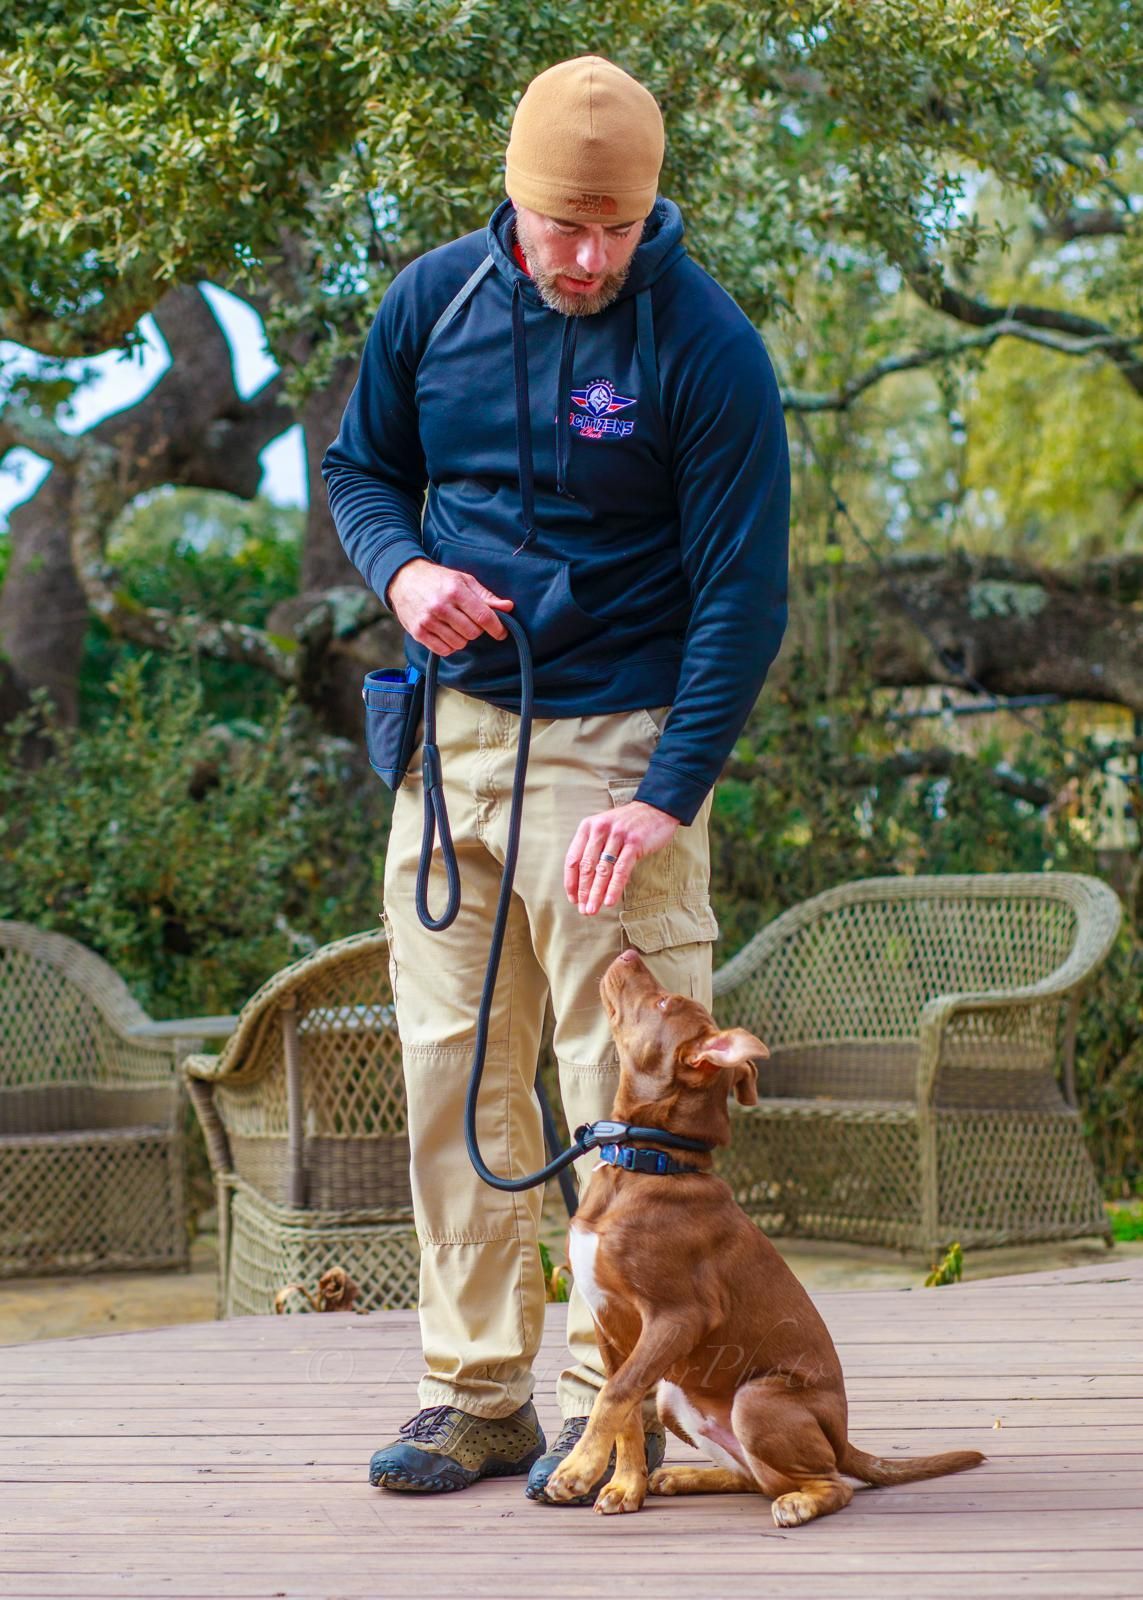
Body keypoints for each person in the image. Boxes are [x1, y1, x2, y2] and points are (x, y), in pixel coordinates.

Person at [321, 54, 790, 1501]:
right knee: (450, 1073)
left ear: (650, 212)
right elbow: (360, 471)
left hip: (623, 748)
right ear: (512, 204)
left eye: (614, 229)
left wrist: (665, 793)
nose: (586, 258)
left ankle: (611, 1398)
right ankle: (473, 1394)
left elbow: (744, 598)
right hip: (456, 741)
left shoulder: (704, 346)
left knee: (622, 1100)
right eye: (559, 228)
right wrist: (402, 578)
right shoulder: (433, 305)